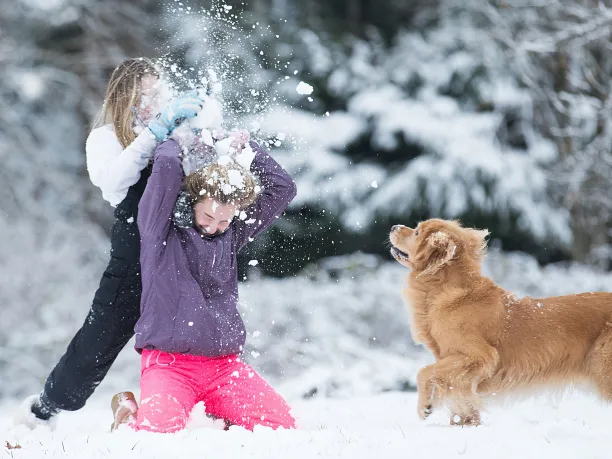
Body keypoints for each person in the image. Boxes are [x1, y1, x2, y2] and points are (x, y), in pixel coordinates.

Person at [14, 57, 205, 428]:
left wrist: (213, 141)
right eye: (143, 94)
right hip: (132, 255)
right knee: (98, 340)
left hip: (175, 248)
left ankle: (188, 409)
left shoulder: (172, 133)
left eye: (157, 92)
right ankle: (44, 411)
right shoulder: (104, 138)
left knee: (190, 331)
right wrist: (155, 134)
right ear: (125, 96)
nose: (152, 101)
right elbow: (113, 184)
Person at [110, 135, 297, 433]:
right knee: (156, 437)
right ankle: (127, 413)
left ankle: (216, 414)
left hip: (224, 366)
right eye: (208, 215)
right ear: (192, 202)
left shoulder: (232, 235)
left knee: (281, 428)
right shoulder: (159, 231)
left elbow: (283, 188)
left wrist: (245, 148)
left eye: (224, 220)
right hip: (169, 364)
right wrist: (179, 138)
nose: (214, 227)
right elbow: (168, 164)